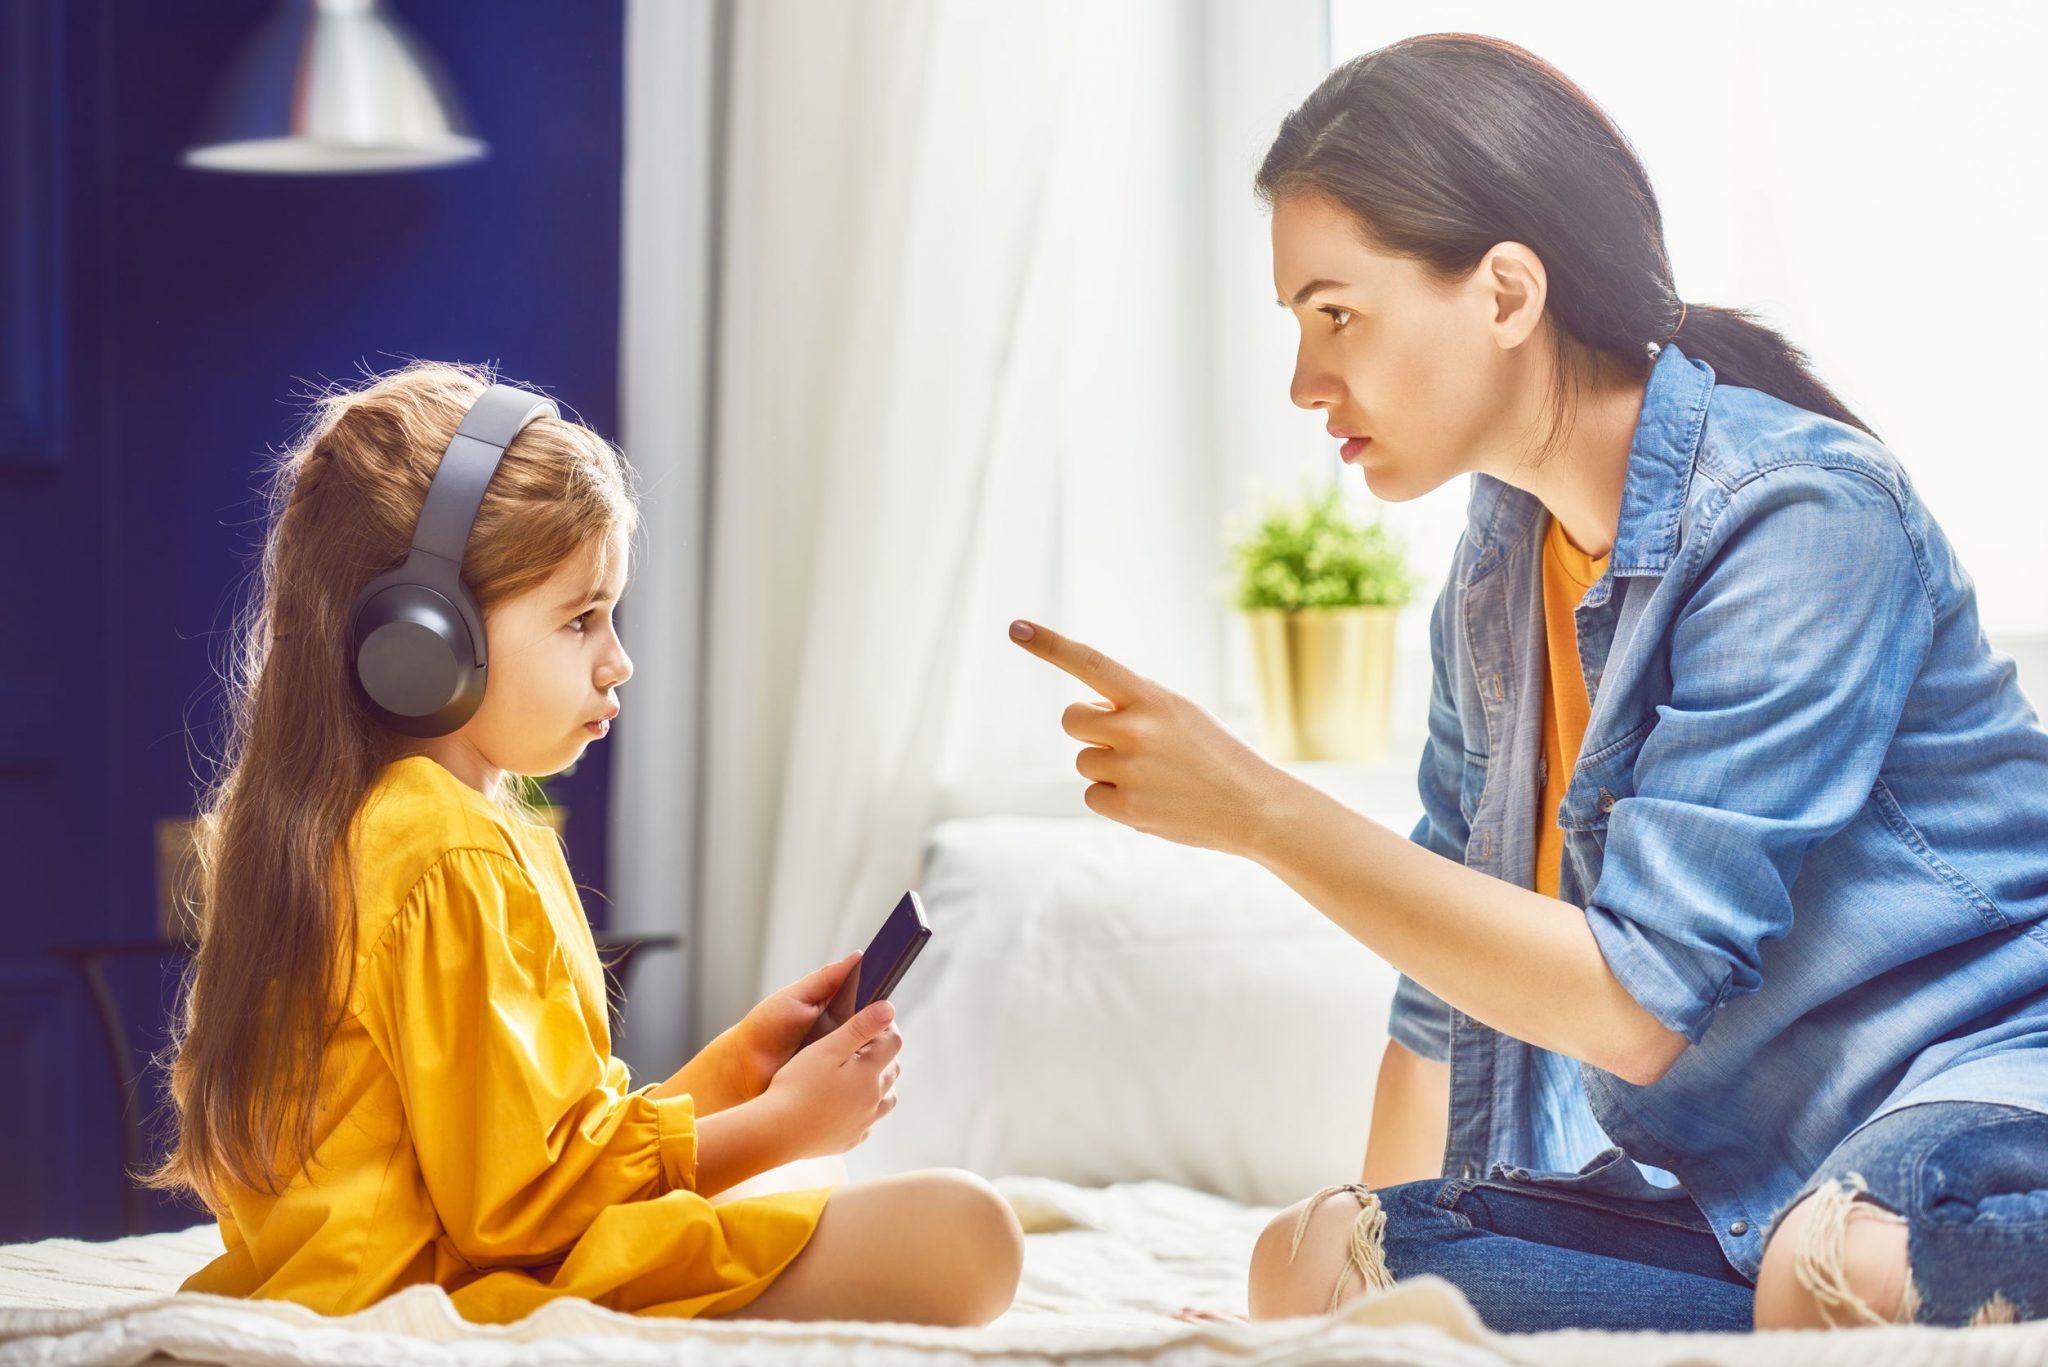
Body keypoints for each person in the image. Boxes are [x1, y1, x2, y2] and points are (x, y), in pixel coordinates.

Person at [1010, 33, 2048, 1332]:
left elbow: (1632, 1003)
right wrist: (1371, 1296)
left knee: (1827, 1263)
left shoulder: (1800, 513)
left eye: (1337, 314)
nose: (1302, 380)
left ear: (1507, 293)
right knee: (1324, 1254)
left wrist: (1260, 809)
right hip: (1758, 1182)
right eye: (1294, 325)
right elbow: (1444, 996)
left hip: (1987, 1091)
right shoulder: (1498, 576)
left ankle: (1850, 1279)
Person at [148, 362, 1023, 1325]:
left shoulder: (404, 824)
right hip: (444, 1293)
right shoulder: (447, 848)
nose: (620, 660)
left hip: (443, 1263)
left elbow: (540, 1145)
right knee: (970, 1231)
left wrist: (736, 1071)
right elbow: (521, 1206)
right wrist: (776, 1129)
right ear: (425, 637)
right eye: (579, 619)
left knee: (924, 1221)